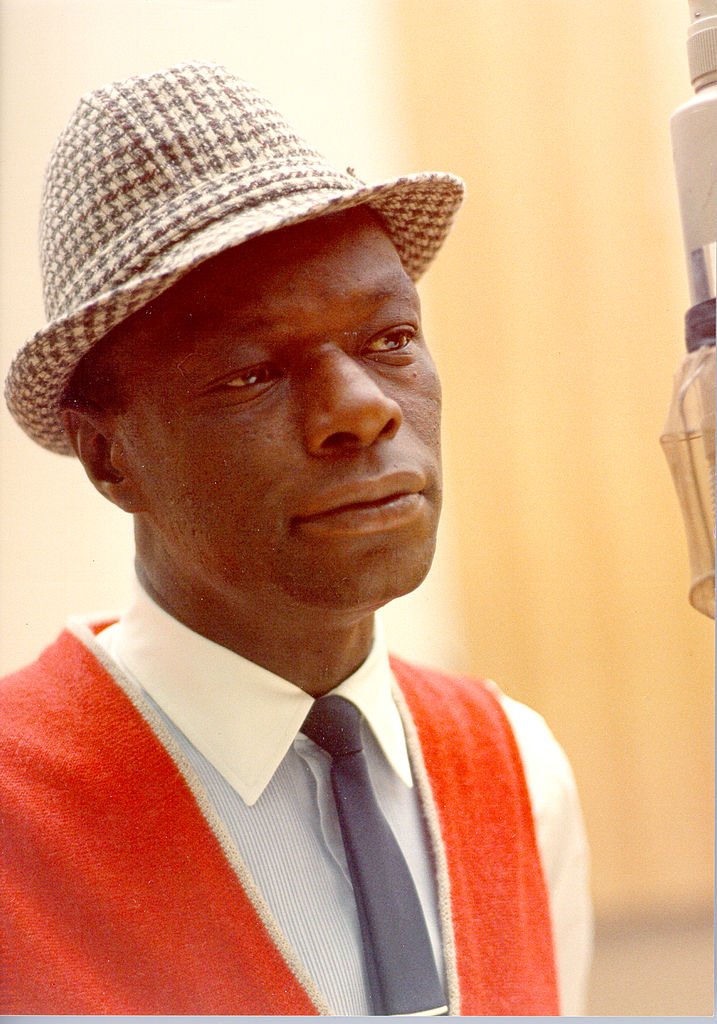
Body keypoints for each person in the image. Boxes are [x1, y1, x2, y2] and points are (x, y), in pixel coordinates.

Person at [0, 61, 591, 1015]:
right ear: (110, 459)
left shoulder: (520, 770)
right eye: (248, 375)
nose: (360, 411)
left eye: (389, 340)